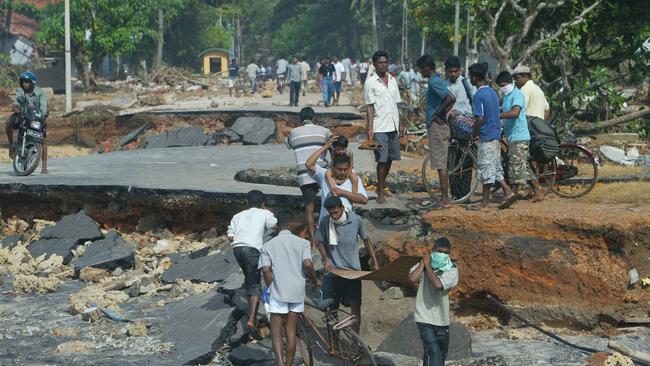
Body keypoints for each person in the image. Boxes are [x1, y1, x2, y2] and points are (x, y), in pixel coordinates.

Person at [260, 209, 321, 366]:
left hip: (278, 291)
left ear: (277, 226)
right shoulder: (303, 243)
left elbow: (266, 270)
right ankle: (289, 364)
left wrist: (271, 287)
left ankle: (280, 364)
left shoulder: (268, 245)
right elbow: (307, 264)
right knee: (291, 330)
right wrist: (315, 280)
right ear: (291, 224)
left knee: (276, 331)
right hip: (297, 291)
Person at [316, 195, 379, 333]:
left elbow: (367, 240)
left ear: (343, 208)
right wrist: (325, 258)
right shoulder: (325, 222)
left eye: (336, 212)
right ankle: (335, 344)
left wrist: (374, 261)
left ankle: (355, 343)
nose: (334, 216)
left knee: (355, 307)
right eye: (331, 213)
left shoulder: (356, 220)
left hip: (352, 273)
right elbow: (319, 241)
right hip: (333, 273)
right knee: (331, 310)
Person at [227, 190, 277, 332]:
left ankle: (250, 312)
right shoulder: (265, 213)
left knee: (249, 278)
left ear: (247, 202)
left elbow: (230, 236)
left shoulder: (237, 216)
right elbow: (275, 225)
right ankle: (251, 319)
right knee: (255, 282)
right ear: (263, 203)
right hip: (252, 250)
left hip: (237, 249)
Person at [468, 63, 516, 210]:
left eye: (470, 76)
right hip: (495, 134)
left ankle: (484, 203)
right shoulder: (493, 93)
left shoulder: (478, 95)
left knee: (485, 169)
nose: (469, 78)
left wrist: (474, 133)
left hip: (486, 135)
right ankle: (508, 192)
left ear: (475, 78)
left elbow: (480, 118)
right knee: (495, 167)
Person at [408, 237, 459, 366]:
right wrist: (423, 263)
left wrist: (428, 267)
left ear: (449, 253)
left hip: (441, 320)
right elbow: (413, 278)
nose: (442, 255)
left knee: (439, 355)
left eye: (445, 253)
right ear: (433, 250)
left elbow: (437, 284)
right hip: (424, 317)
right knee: (433, 352)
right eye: (439, 251)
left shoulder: (452, 269)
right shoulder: (424, 263)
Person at [286, 107, 332, 248]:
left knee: (309, 210)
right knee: (330, 205)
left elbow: (289, 146)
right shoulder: (324, 130)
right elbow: (333, 145)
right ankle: (330, 239)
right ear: (314, 117)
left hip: (304, 175)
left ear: (301, 119)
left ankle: (313, 243)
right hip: (322, 172)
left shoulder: (293, 133)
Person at [495, 71, 545, 202]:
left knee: (515, 166)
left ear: (510, 82)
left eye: (504, 84)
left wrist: (498, 115)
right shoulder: (506, 96)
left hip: (519, 136)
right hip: (513, 136)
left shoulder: (517, 94)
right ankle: (537, 192)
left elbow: (515, 112)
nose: (502, 87)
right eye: (500, 86)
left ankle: (512, 195)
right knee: (523, 165)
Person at [416, 55, 456, 209]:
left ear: (426, 68)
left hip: (437, 127)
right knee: (441, 163)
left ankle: (444, 199)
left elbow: (450, 98)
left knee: (440, 164)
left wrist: (438, 113)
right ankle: (444, 197)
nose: (420, 73)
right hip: (437, 126)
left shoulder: (434, 82)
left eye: (421, 70)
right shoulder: (436, 81)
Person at [365, 50, 402, 204]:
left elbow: (397, 104)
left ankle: (381, 186)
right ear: (374, 64)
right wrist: (369, 128)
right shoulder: (370, 82)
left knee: (390, 159)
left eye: (385, 62)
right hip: (379, 126)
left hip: (393, 125)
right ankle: (380, 191)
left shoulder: (393, 80)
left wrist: (402, 123)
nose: (383, 65)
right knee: (382, 159)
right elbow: (369, 108)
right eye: (380, 62)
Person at [305, 148, 368, 220]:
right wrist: (325, 146)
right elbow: (308, 164)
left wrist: (342, 192)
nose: (343, 172)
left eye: (345, 169)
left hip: (347, 224)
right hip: (327, 225)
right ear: (333, 167)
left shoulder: (354, 179)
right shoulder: (324, 175)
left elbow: (364, 200)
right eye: (339, 169)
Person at [6, 71, 48, 173]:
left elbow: (44, 107)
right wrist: (16, 108)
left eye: (27, 82)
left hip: (36, 118)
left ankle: (44, 166)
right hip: (22, 116)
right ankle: (11, 145)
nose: (24, 84)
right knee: (9, 121)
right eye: (23, 82)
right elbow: (16, 102)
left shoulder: (40, 93)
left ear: (32, 83)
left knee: (43, 139)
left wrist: (42, 115)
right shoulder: (20, 91)